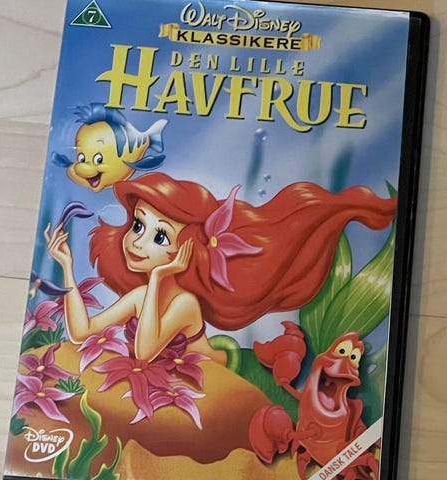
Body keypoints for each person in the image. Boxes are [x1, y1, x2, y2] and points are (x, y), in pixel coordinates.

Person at [42, 172, 396, 464]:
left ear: (185, 251)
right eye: (138, 225)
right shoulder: (143, 296)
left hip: (240, 372)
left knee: (305, 426)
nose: (137, 241)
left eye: (159, 235)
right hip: (193, 378)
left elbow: (145, 352)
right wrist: (67, 268)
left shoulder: (184, 303)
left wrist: (159, 277)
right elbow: (81, 332)